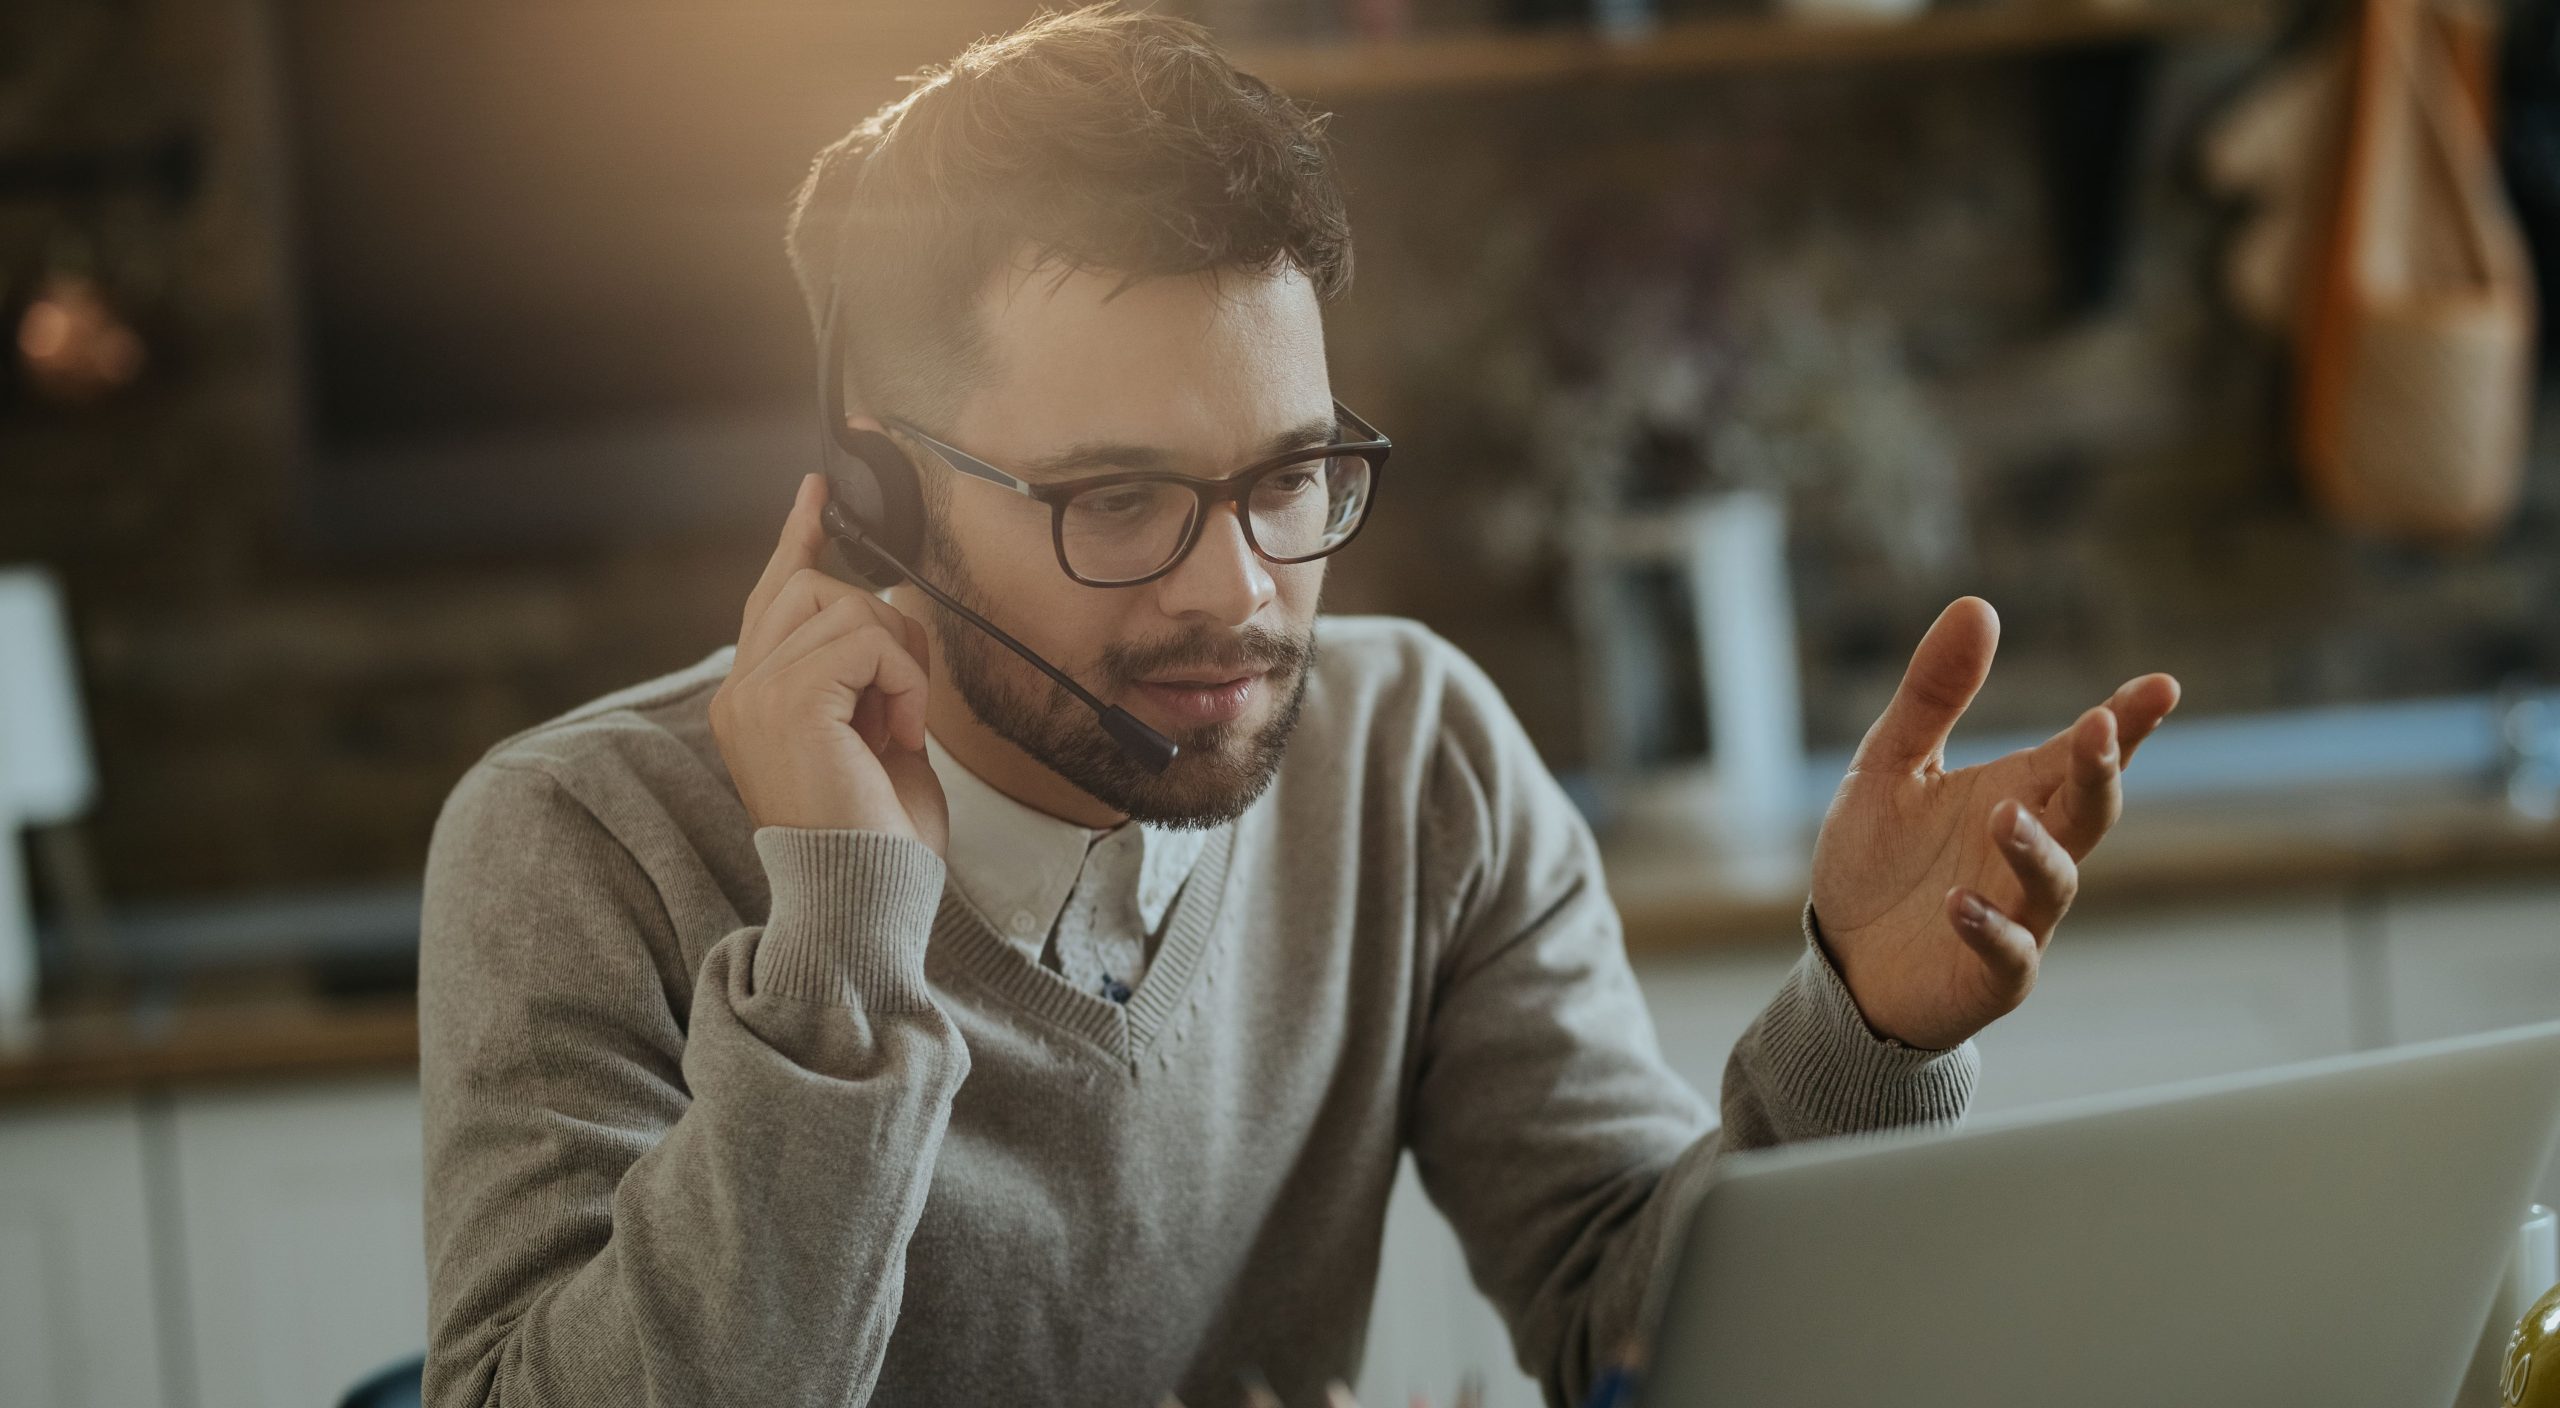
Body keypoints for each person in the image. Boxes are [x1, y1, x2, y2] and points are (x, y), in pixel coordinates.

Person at [415, 7, 2182, 1407]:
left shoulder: (1411, 757)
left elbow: (1635, 1321)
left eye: (1292, 476)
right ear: (878, 499)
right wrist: (841, 958)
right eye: (1119, 502)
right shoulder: (579, 843)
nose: (1243, 594)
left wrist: (1866, 1024)